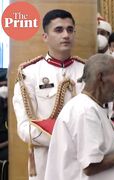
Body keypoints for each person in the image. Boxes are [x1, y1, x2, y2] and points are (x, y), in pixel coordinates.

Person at [45, 54, 114, 180]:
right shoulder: (85, 111)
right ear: (100, 77)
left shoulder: (94, 106)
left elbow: (107, 151)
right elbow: (91, 166)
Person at [12, 9, 85, 180]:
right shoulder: (29, 74)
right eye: (59, 30)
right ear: (45, 36)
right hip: (47, 163)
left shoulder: (88, 71)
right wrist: (66, 142)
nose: (66, 35)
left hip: (83, 162)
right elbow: (25, 127)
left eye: (70, 29)